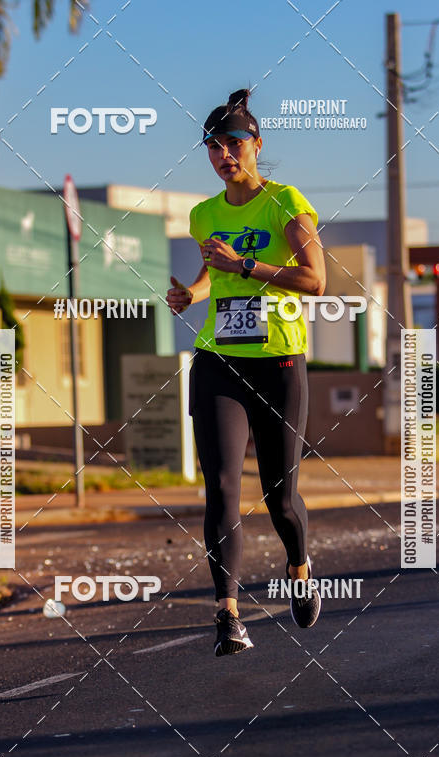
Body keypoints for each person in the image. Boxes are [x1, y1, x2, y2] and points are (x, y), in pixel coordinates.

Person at [166, 88, 326, 657]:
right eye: (213, 146)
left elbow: (316, 281)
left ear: (257, 144)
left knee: (280, 498)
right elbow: (215, 276)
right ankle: (227, 614)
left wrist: (248, 265)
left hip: (278, 361)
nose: (223, 155)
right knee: (221, 488)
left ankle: (300, 567)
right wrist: (192, 292)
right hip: (219, 360)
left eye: (233, 143)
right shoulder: (204, 214)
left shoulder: (285, 203)